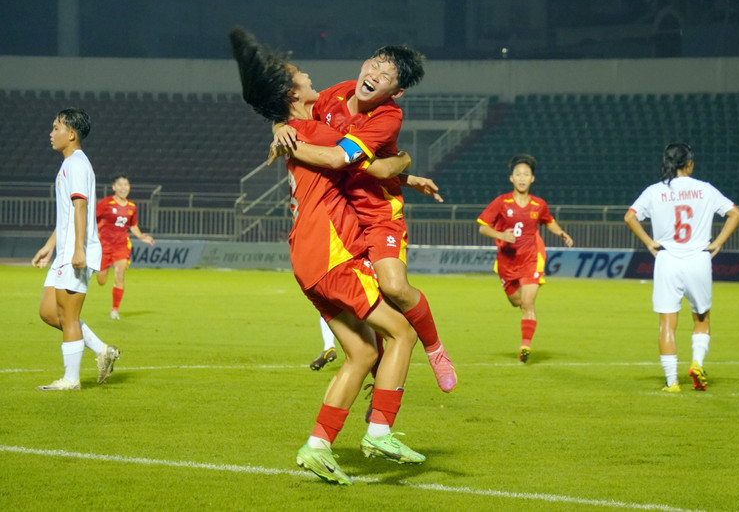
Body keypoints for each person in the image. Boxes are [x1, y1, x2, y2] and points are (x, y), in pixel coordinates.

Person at [231, 26, 426, 485]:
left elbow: (337, 157)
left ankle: (317, 446)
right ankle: (380, 431)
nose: (311, 77)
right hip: (333, 254)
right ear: (292, 95)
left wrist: (278, 124)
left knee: (361, 351)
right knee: (402, 335)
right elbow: (360, 163)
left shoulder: (297, 130)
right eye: (302, 77)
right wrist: (406, 164)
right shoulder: (315, 131)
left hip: (306, 260)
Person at [271, 45, 456, 392]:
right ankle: (381, 393)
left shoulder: (388, 117)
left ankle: (435, 349)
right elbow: (293, 106)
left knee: (394, 287)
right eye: (374, 65)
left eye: (386, 76)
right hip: (345, 215)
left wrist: (403, 164)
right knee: (370, 311)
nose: (374, 76)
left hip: (378, 212)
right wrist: (279, 125)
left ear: (396, 91)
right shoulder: (336, 94)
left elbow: (361, 163)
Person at [625, 142, 739, 393]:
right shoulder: (705, 189)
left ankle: (672, 383)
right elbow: (735, 214)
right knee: (701, 318)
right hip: (699, 258)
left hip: (667, 259)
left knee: (667, 323)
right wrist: (718, 243)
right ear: (689, 163)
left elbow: (630, 216)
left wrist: (648, 242)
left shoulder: (654, 191)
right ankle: (697, 363)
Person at [31, 108, 121, 391]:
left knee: (68, 316)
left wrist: (78, 250)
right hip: (65, 252)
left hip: (75, 253)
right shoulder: (69, 163)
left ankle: (71, 380)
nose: (51, 133)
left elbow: (81, 207)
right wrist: (49, 246)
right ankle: (102, 350)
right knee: (48, 312)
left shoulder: (78, 164)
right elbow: (69, 213)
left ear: (71, 134)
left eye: (56, 127)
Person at [477, 154, 574, 363]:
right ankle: (525, 325)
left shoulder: (539, 204)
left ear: (532, 179)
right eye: (518, 174)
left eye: (526, 174)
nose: (522, 178)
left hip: (531, 258)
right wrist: (500, 235)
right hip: (507, 263)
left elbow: (549, 221)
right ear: (511, 178)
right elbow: (483, 227)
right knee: (517, 302)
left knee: (528, 303)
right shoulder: (502, 202)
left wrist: (561, 233)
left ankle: (525, 347)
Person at [96, 173, 156, 319]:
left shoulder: (131, 207)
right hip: (103, 246)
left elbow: (133, 225)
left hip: (121, 245)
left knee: (119, 275)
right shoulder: (105, 204)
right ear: (114, 187)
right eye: (120, 185)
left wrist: (141, 236)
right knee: (101, 280)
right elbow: (92, 220)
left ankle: (114, 310)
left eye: (126, 185)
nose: (123, 188)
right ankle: (103, 270)